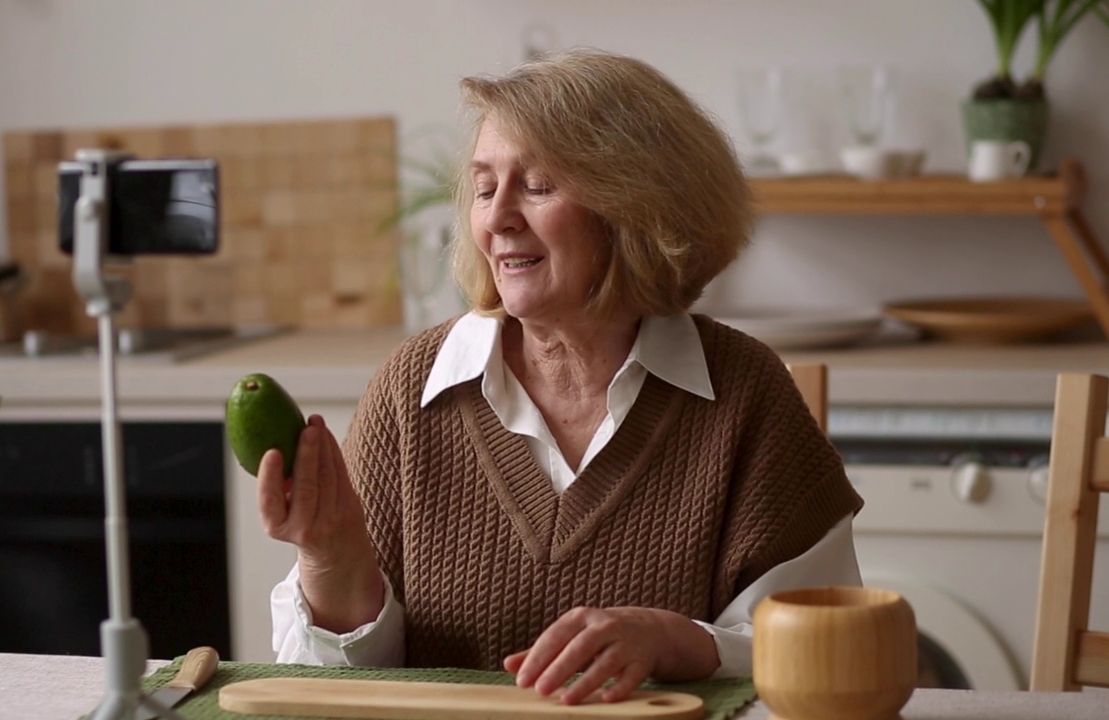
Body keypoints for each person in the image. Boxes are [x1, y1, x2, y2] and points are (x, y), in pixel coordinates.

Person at [258, 47, 864, 705]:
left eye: (539, 186)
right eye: (485, 188)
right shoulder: (412, 390)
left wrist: (675, 641)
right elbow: (327, 694)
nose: (497, 218)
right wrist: (332, 565)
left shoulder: (746, 391)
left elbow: (830, 647)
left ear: (638, 206)